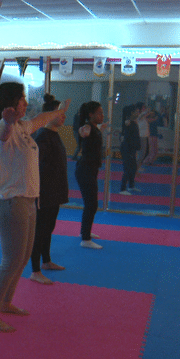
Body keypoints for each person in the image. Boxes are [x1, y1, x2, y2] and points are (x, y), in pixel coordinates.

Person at [0, 82, 69, 332]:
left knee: (21, 259)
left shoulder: (23, 127)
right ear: (9, 104)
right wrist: (8, 121)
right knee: (11, 260)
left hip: (28, 200)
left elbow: (40, 118)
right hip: (10, 202)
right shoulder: (4, 127)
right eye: (21, 99)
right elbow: (3, 133)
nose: (25, 103)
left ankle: (6, 302)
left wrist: (58, 110)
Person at [29, 94, 69, 285]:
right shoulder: (43, 136)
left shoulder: (53, 134)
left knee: (49, 228)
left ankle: (46, 261)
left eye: (63, 114)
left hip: (54, 190)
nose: (63, 117)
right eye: (60, 114)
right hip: (44, 191)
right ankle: (35, 269)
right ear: (48, 115)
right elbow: (35, 166)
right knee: (41, 230)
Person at [75, 101, 105, 249]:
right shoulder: (87, 127)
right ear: (90, 114)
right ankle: (85, 239)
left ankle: (84, 232)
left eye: (102, 112)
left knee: (91, 204)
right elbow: (83, 131)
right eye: (99, 113)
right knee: (92, 204)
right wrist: (83, 130)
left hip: (90, 170)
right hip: (85, 170)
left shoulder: (95, 128)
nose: (102, 115)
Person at [119, 104, 141, 195]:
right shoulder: (128, 122)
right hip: (128, 148)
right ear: (132, 113)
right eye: (136, 111)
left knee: (133, 168)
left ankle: (131, 185)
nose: (138, 113)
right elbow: (127, 136)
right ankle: (122, 189)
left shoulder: (133, 122)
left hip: (132, 148)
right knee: (128, 168)